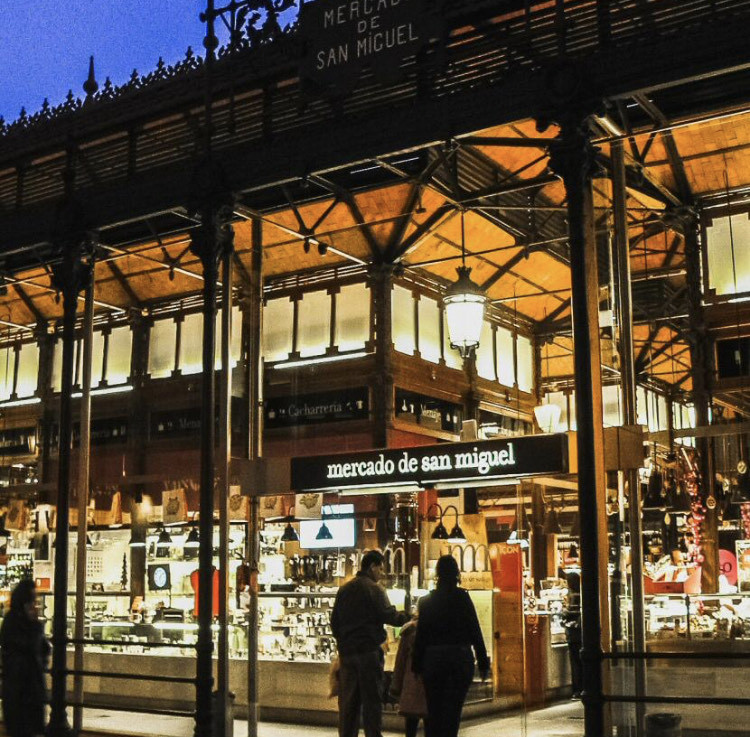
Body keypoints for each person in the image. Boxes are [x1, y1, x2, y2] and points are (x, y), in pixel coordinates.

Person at [331, 550, 408, 737]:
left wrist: (343, 644)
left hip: (348, 655)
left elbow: (335, 623)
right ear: (372, 567)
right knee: (371, 703)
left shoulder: (344, 589)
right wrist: (409, 617)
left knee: (349, 704)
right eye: (380, 569)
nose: (381, 574)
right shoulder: (374, 589)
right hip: (368, 654)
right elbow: (389, 615)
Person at [413, 555, 489, 737]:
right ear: (456, 574)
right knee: (453, 712)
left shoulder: (426, 602)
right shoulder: (462, 599)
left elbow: (421, 636)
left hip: (433, 660)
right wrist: (483, 660)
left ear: (437, 574)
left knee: (433, 711)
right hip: (459, 658)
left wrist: (416, 664)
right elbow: (475, 630)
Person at [1, 578, 50, 737]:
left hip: (24, 687)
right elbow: (33, 647)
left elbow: (43, 649)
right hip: (22, 688)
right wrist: (36, 626)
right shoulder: (17, 623)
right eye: (33, 600)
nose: (35, 605)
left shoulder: (11, 621)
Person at [389, 617, 427, 737]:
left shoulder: (409, 632)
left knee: (411, 726)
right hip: (430, 685)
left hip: (412, 684)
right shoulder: (439, 629)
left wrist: (396, 686)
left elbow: (400, 663)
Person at [562, 571, 582, 699]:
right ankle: (583, 687)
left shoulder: (571, 595)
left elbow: (567, 613)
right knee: (582, 663)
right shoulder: (583, 593)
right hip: (581, 633)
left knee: (575, 663)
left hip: (573, 633)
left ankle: (577, 689)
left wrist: (563, 612)